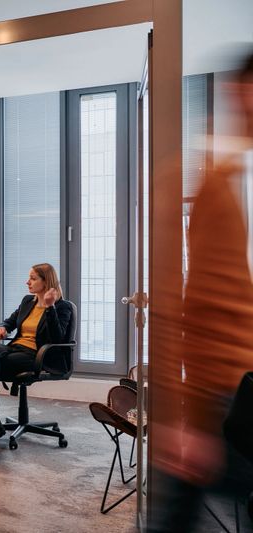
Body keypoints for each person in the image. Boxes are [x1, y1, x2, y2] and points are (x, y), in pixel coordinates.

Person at [149, 50, 253, 531]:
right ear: (239, 92)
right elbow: (175, 307)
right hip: (222, 399)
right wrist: (179, 418)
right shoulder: (215, 185)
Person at [0, 263, 72, 438]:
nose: (28, 282)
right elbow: (10, 320)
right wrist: (3, 327)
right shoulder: (27, 301)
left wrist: (50, 307)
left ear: (46, 281)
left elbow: (57, 338)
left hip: (38, 355)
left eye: (33, 278)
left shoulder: (62, 307)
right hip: (15, 349)